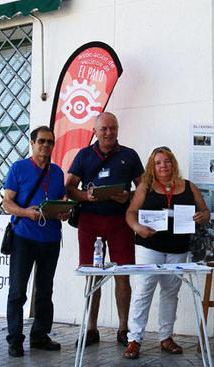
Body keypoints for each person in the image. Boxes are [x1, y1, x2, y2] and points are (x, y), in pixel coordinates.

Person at [64, 112, 144, 346]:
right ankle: (91, 328)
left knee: (123, 274)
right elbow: (69, 188)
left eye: (113, 128)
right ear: (95, 131)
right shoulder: (84, 155)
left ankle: (123, 328)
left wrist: (127, 197)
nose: (109, 132)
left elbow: (142, 189)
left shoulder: (129, 155)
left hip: (120, 222)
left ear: (118, 129)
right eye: (104, 129)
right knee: (92, 275)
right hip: (90, 221)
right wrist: (86, 196)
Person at [123, 146, 210, 360]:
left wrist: (202, 217)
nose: (163, 166)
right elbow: (131, 212)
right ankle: (134, 339)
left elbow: (205, 212)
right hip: (149, 246)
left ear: (173, 163)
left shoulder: (188, 186)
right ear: (152, 166)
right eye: (158, 162)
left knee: (171, 292)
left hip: (178, 247)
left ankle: (166, 336)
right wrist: (137, 228)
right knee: (143, 290)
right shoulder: (146, 186)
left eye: (167, 161)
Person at [1, 126, 70, 358]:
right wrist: (24, 212)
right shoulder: (18, 168)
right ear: (32, 143)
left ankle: (40, 336)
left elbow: (61, 201)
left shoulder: (58, 172)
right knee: (18, 291)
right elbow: (7, 203)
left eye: (50, 142)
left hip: (50, 238)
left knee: (45, 290)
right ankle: (15, 340)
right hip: (24, 237)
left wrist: (64, 212)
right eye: (41, 141)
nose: (46, 146)